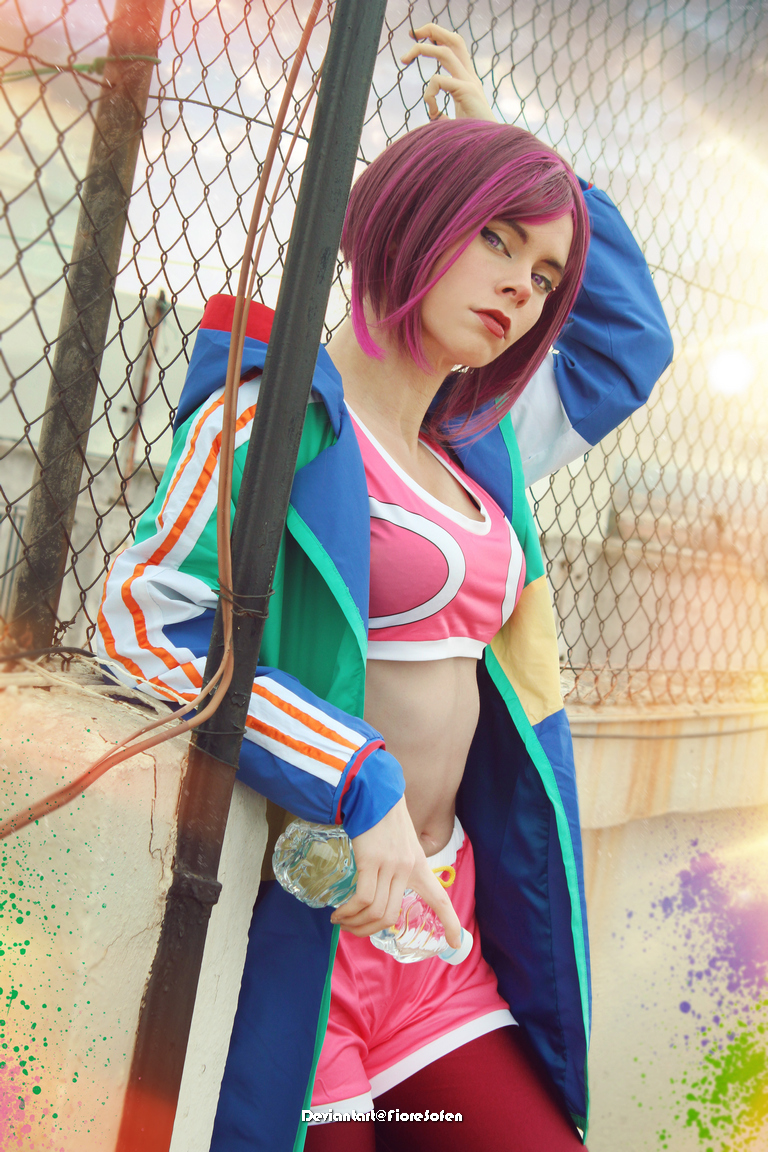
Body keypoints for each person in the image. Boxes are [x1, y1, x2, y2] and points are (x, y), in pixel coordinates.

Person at [97, 25, 673, 1152]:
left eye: (542, 273)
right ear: (413, 217)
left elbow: (627, 346)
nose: (521, 287)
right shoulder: (274, 418)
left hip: (441, 933)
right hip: (318, 930)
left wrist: (531, 168)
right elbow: (139, 625)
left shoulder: (484, 444)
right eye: (495, 238)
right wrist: (352, 775)